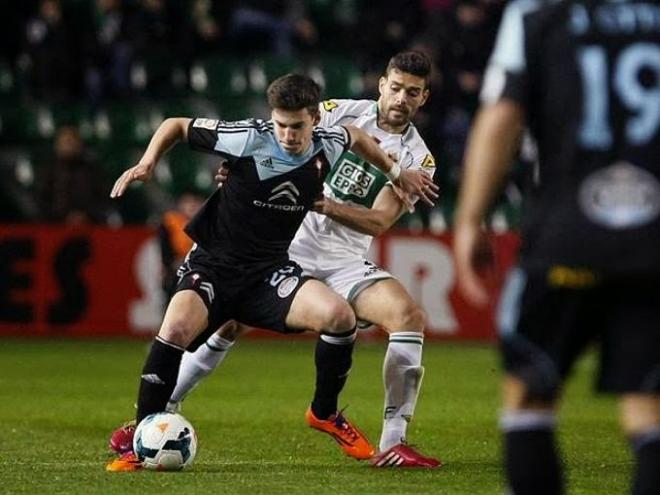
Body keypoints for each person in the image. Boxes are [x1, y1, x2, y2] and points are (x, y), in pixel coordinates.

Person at [106, 73, 437, 471]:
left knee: (352, 317)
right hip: (229, 259)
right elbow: (177, 124)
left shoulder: (348, 142)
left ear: (314, 120)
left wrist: (397, 172)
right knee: (190, 328)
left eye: (297, 126)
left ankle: (345, 422)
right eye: (281, 124)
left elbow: (357, 145)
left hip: (286, 265)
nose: (288, 135)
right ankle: (148, 426)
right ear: (382, 84)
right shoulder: (256, 134)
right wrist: (147, 164)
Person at [454, 0, 660, 493]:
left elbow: (502, 113)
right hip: (654, 245)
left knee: (528, 396)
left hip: (567, 238)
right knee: (648, 406)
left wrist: (469, 218)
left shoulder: (536, 13)